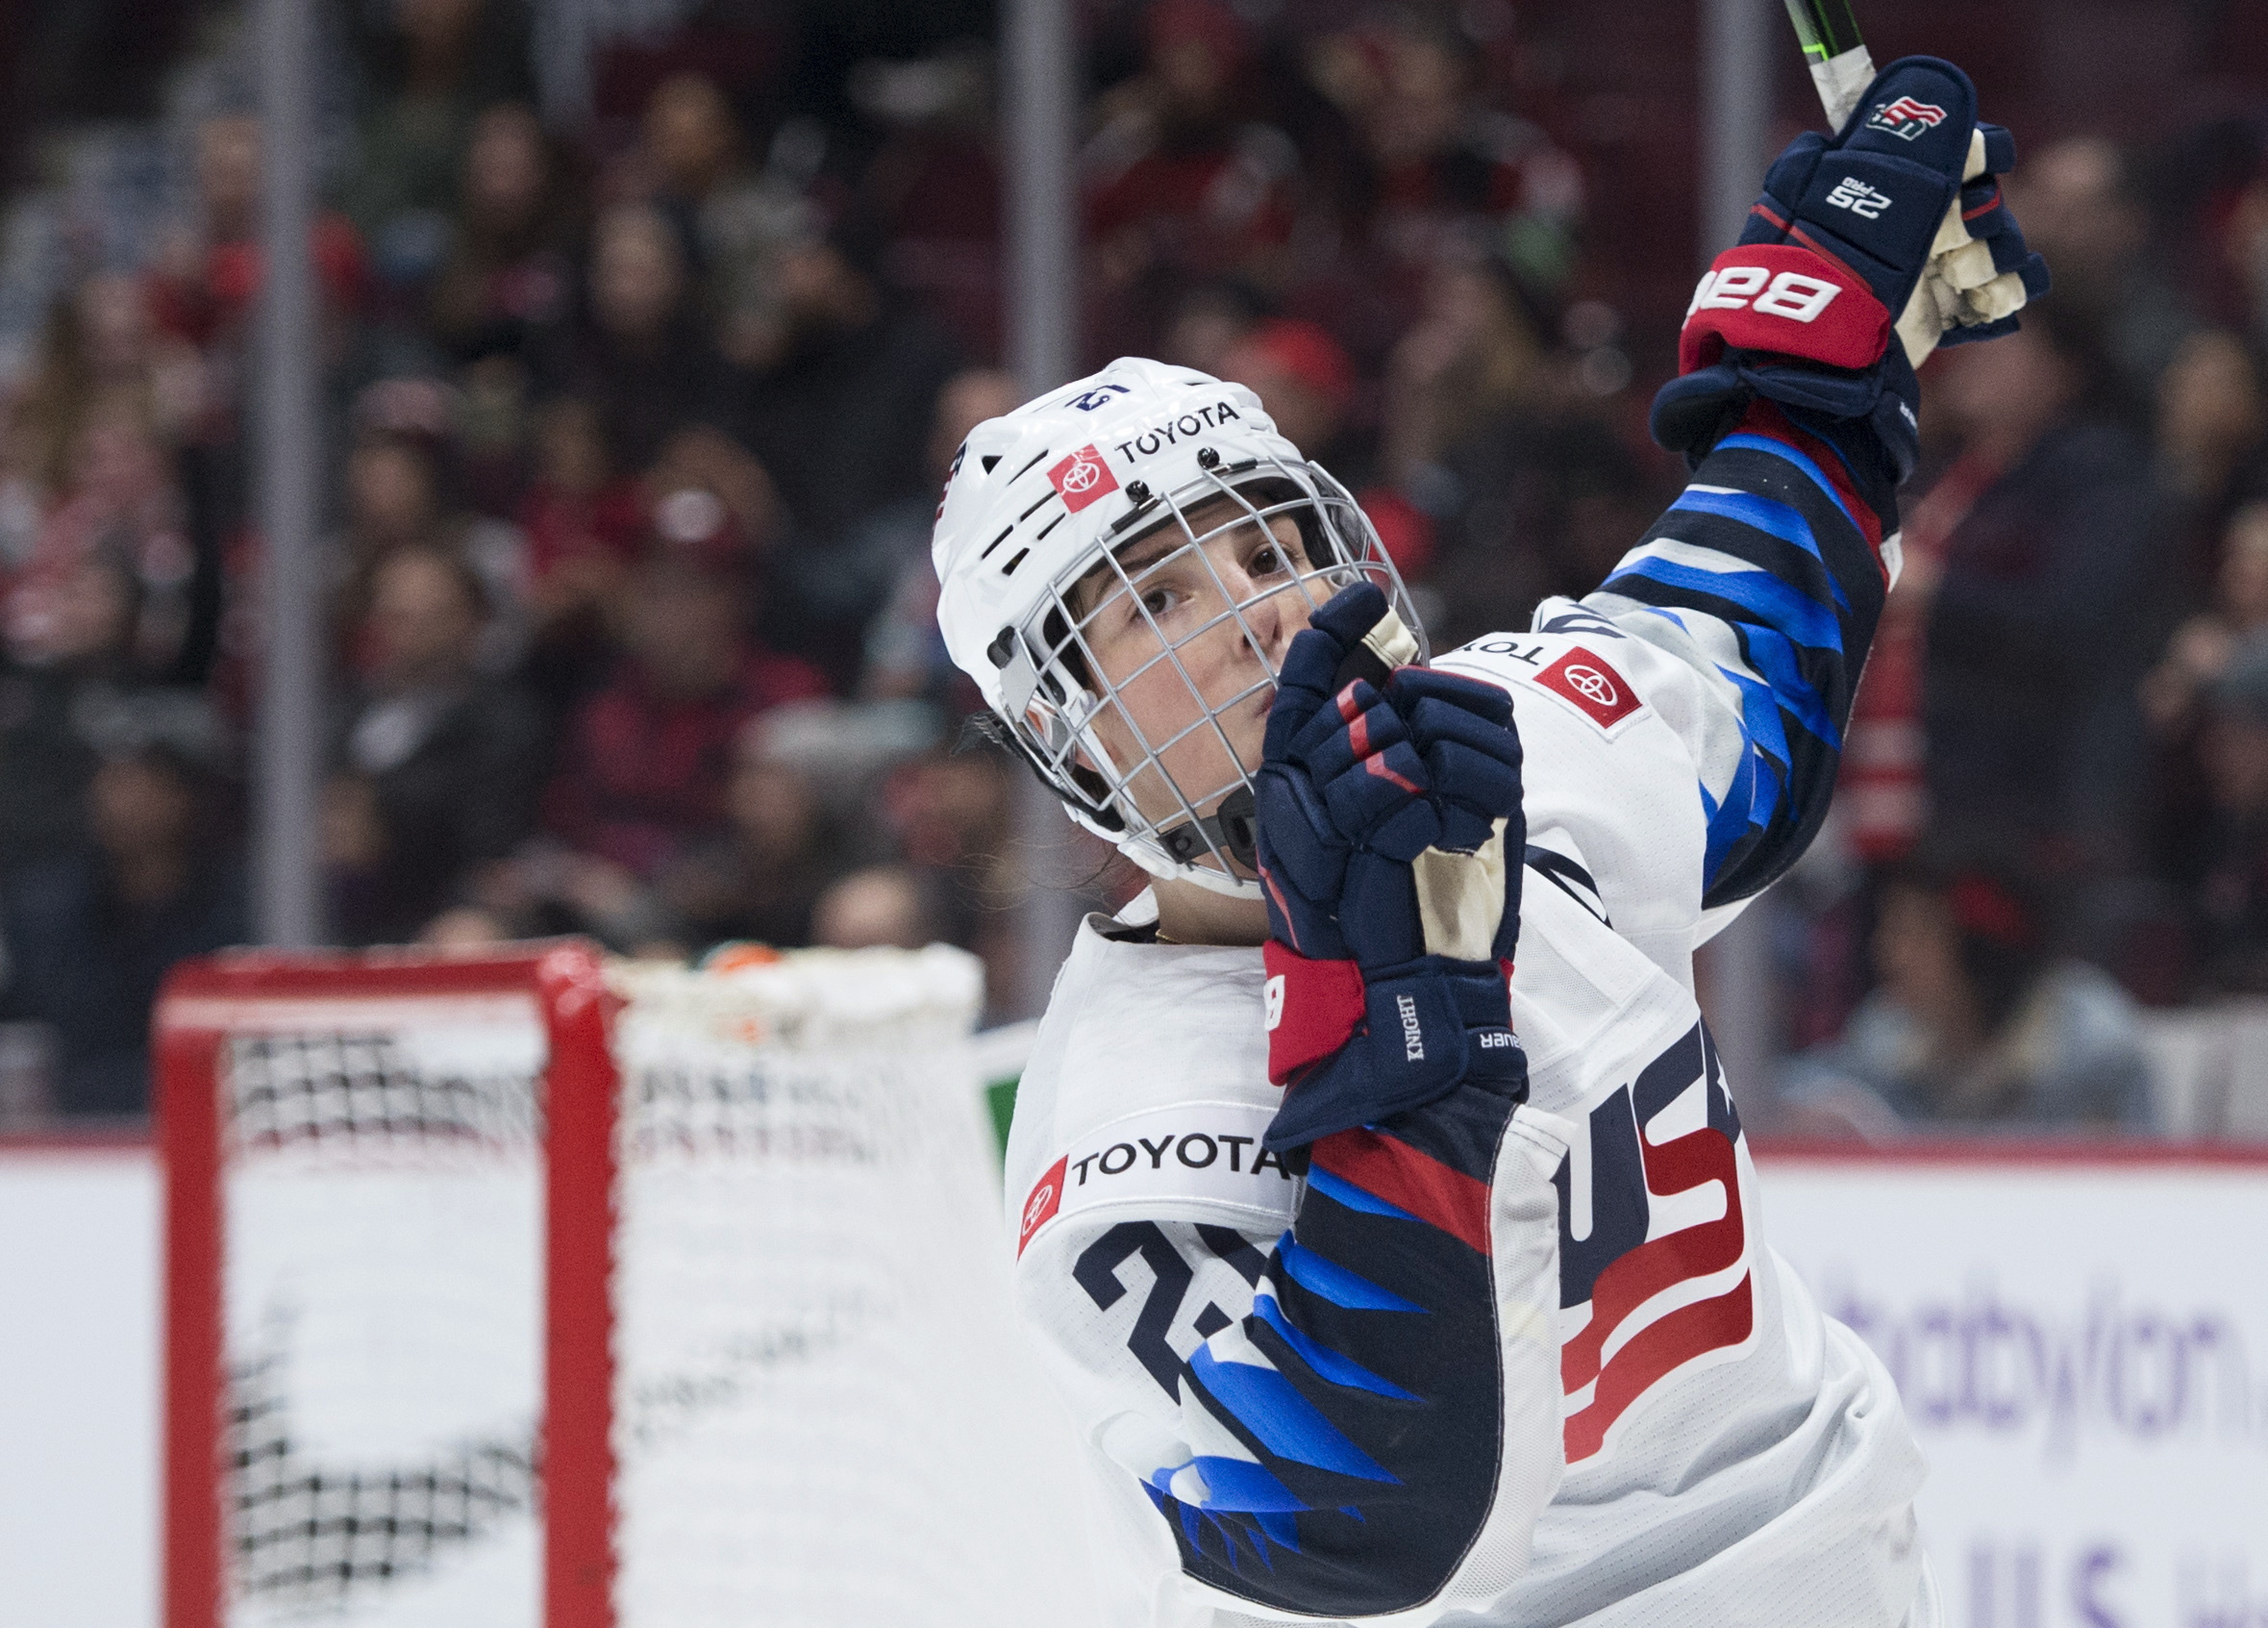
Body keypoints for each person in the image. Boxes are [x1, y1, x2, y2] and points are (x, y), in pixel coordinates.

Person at [931, 60, 2046, 1625]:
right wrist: (1403, 1045)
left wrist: (1834, 353)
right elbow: (1353, 1519)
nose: (1253, 612)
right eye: (1157, 602)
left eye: (1267, 544)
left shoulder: (1503, 737)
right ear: (1067, 734)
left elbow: (1743, 653)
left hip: (1845, 1559)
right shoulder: (1127, 1149)